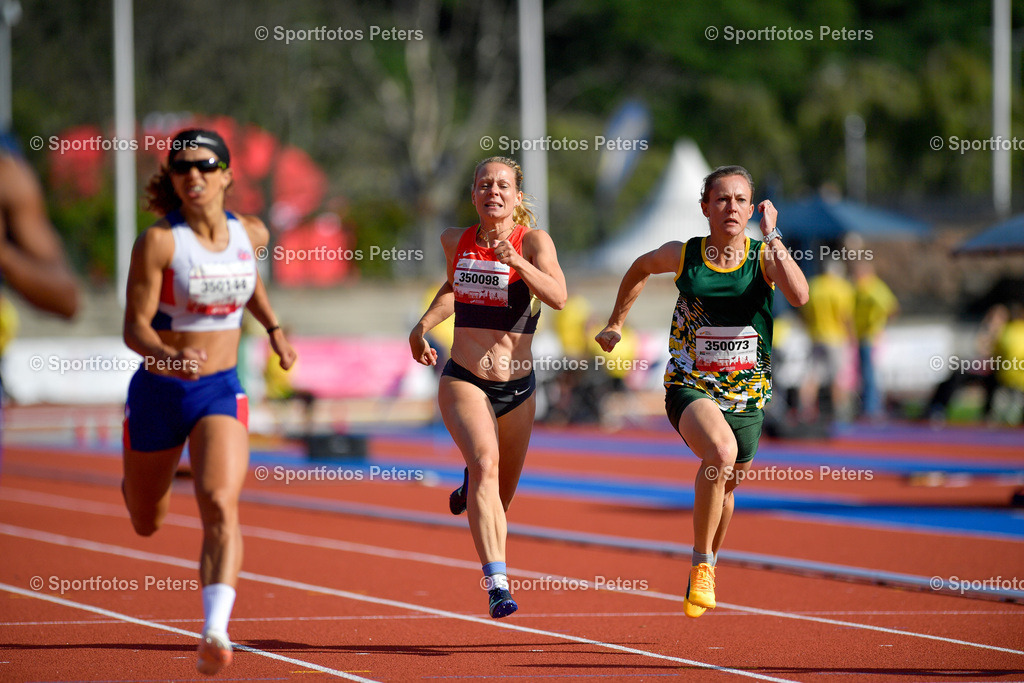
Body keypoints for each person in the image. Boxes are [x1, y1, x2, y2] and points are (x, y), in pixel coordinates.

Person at [595, 166, 808, 618]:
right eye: (722, 199)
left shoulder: (763, 256)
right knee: (720, 453)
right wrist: (616, 322)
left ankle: (708, 562)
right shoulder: (684, 255)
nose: (732, 207)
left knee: (727, 485)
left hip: (748, 395)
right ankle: (702, 562)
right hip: (691, 386)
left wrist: (774, 238)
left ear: (752, 209)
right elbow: (638, 268)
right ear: (705, 207)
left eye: (740, 200)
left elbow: (800, 295)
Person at [121, 129, 296, 675]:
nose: (192, 176)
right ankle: (140, 485)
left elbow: (251, 282)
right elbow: (133, 329)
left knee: (220, 502)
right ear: (173, 180)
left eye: (204, 165)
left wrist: (274, 329)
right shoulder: (160, 242)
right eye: (181, 169)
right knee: (145, 520)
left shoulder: (253, 232)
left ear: (225, 174)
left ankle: (215, 629)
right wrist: (170, 360)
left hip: (220, 388)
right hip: (159, 390)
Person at [409, 156, 566, 618]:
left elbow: (557, 296)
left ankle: (469, 484)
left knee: (499, 496)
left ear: (517, 196)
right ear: (473, 194)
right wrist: (422, 326)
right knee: (484, 460)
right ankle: (497, 583)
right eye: (484, 185)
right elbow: (453, 288)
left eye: (503, 185)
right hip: (465, 377)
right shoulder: (454, 241)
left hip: (518, 389)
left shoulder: (534, 241)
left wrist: (517, 261)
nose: (493, 191)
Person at [799, 255, 855, 422]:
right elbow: (846, 316)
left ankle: (805, 411)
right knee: (839, 377)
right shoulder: (843, 288)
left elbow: (803, 310)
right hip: (836, 338)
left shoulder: (814, 286)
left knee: (812, 376)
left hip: (816, 336)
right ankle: (841, 414)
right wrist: (852, 336)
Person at [850, 258, 898, 420]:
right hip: (863, 335)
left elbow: (891, 307)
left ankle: (871, 408)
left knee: (869, 372)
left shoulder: (872, 287)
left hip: (870, 336)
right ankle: (869, 406)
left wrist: (879, 326)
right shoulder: (863, 287)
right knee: (865, 372)